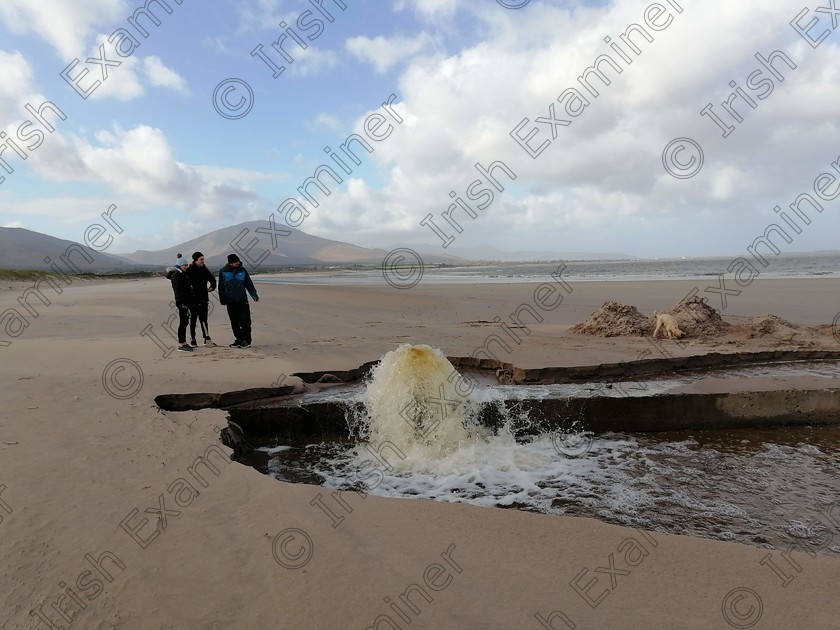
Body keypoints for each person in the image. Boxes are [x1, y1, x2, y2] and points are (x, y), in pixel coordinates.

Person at [218, 253, 259, 348]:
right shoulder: (223, 272)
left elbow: (248, 284)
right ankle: (239, 340)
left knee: (245, 321)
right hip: (230, 301)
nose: (238, 263)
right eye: (236, 262)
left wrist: (254, 295)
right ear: (230, 263)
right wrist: (222, 300)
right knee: (234, 322)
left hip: (242, 300)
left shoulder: (242, 270)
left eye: (238, 261)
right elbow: (221, 287)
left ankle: (246, 340)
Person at [185, 251, 216, 347]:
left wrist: (212, 287)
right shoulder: (189, 270)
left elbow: (212, 279)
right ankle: (193, 339)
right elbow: (185, 284)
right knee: (193, 319)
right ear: (195, 260)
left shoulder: (204, 269)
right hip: (193, 299)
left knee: (204, 319)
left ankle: (206, 338)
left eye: (203, 259)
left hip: (203, 298)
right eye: (201, 259)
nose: (203, 261)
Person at [165, 257, 193, 352]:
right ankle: (181, 344)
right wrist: (184, 303)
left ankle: (184, 342)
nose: (186, 267)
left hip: (183, 301)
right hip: (181, 301)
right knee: (183, 322)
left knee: (184, 322)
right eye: (185, 265)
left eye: (187, 265)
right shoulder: (177, 275)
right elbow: (179, 290)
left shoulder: (180, 274)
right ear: (180, 265)